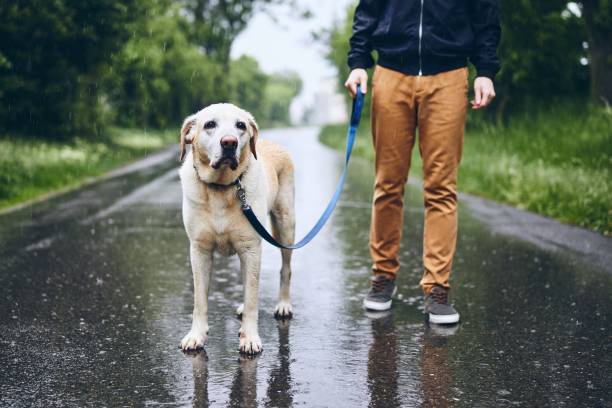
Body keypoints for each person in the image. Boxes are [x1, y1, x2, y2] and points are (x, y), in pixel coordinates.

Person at [345, 0, 501, 324]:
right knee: (388, 184)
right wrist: (359, 61)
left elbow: (484, 13)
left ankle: (437, 289)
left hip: (449, 75)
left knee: (441, 188)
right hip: (390, 74)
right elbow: (368, 11)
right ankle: (383, 278)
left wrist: (485, 70)